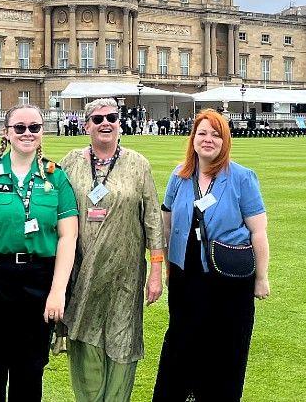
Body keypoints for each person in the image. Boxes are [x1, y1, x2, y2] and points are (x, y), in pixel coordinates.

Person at [0, 104, 79, 401]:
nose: (27, 133)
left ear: (42, 131)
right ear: (7, 133)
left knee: (30, 370)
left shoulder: (55, 177)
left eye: (34, 127)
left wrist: (58, 291)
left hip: (39, 279)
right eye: (19, 127)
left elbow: (67, 236)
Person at [153, 109, 271, 402]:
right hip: (186, 275)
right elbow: (166, 226)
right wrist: (167, 266)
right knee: (181, 342)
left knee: (227, 346)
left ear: (225, 141)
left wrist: (262, 277)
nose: (208, 140)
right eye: (202, 133)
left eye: (216, 135)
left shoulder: (241, 177)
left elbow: (258, 231)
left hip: (229, 279)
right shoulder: (179, 176)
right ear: (193, 138)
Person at [59, 98, 165, 402]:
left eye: (112, 117)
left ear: (120, 123)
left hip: (125, 272)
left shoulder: (138, 163)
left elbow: (153, 221)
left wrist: (155, 273)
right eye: (97, 119)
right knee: (84, 332)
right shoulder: (71, 162)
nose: (105, 123)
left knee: (122, 336)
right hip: (82, 270)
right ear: (86, 125)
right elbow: (55, 211)